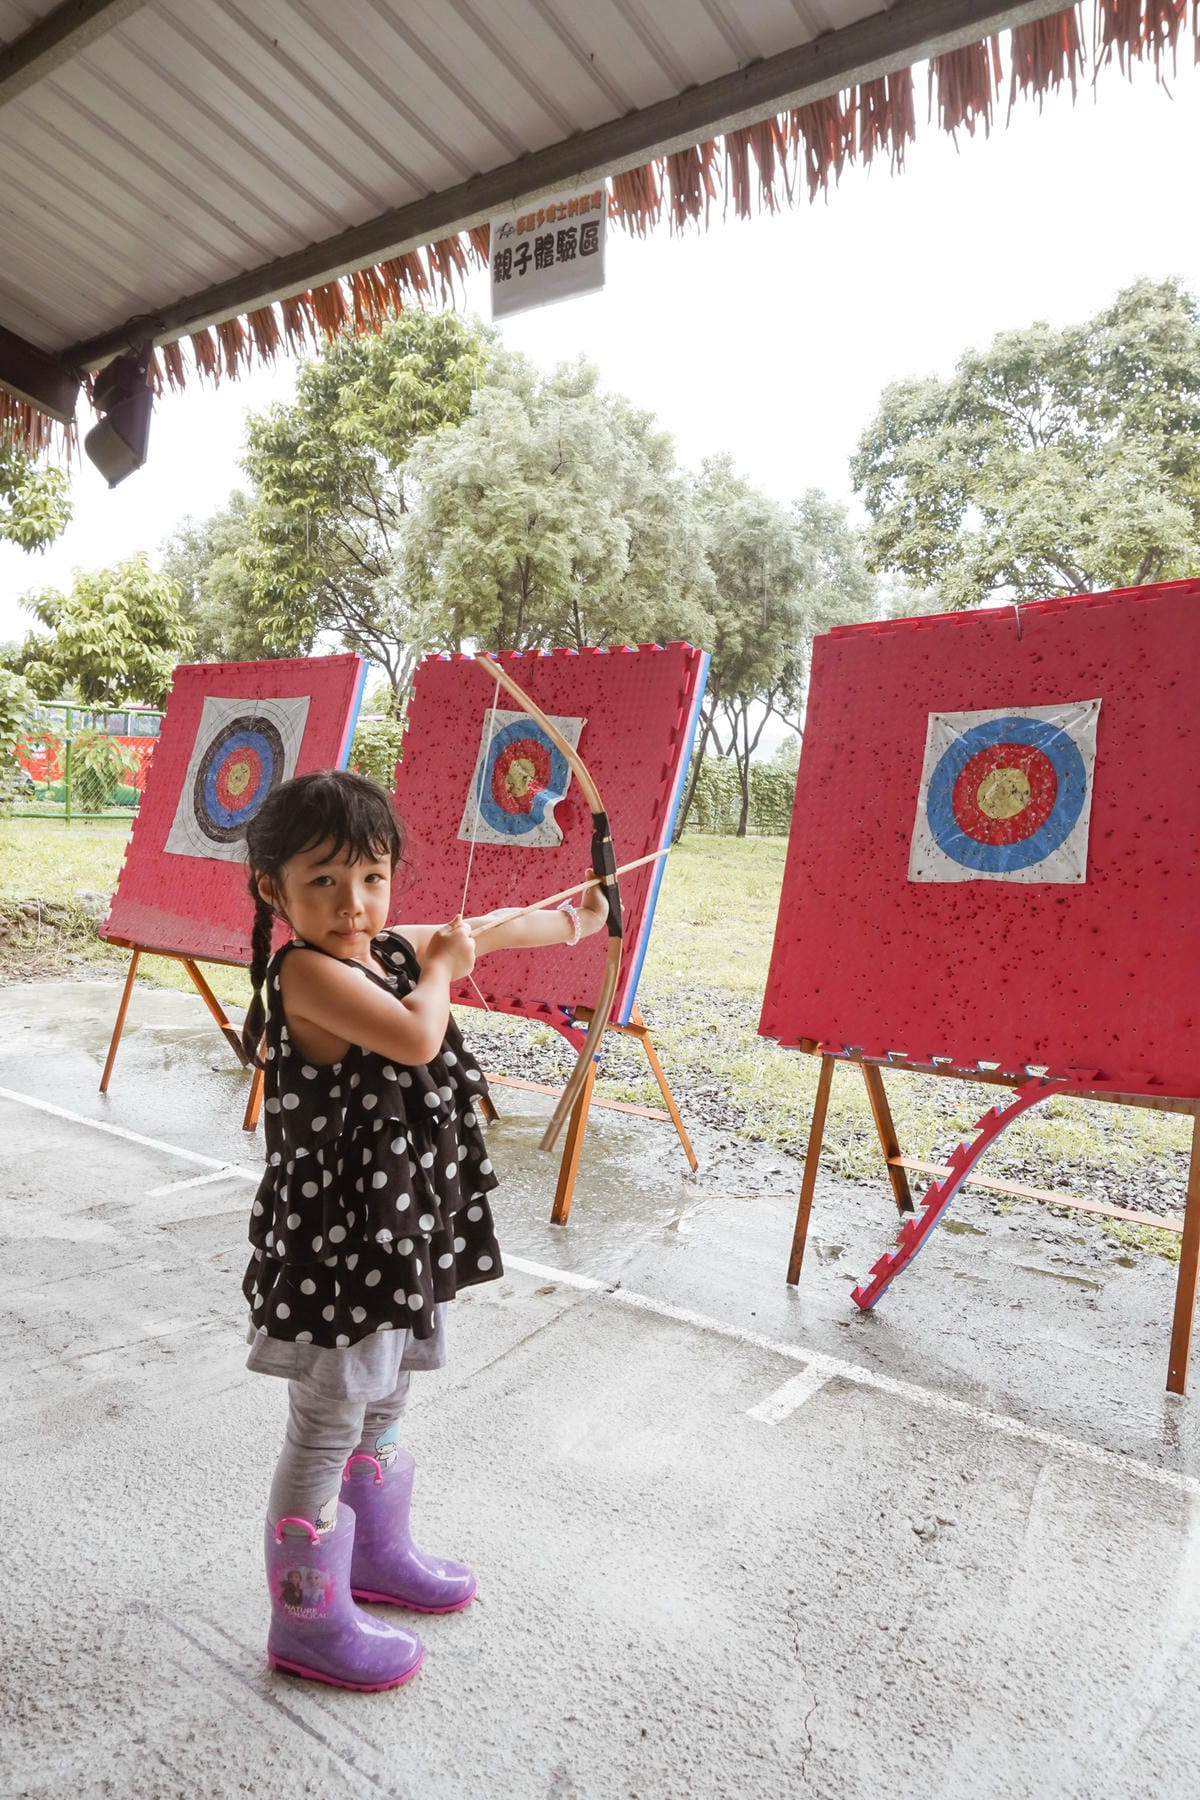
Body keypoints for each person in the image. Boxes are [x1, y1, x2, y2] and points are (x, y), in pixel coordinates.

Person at [240, 768, 606, 1692]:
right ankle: (305, 1621)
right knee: (328, 1420)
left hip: (397, 1231)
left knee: (388, 1395)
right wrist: (440, 970)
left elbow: (482, 929)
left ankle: (373, 1556)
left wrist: (579, 916)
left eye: (372, 877)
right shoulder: (311, 973)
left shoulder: (380, 948)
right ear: (271, 890)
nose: (354, 905)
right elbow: (414, 1037)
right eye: (321, 881)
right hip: (341, 1247)